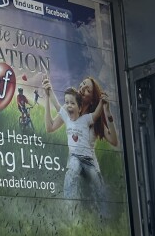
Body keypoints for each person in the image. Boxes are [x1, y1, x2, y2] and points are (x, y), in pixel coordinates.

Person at [42, 78, 109, 212]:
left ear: (80, 107)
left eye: (72, 103)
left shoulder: (85, 119)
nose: (69, 106)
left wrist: (102, 102)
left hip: (88, 160)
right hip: (75, 157)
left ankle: (105, 211)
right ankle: (70, 208)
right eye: (67, 103)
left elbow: (96, 114)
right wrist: (49, 91)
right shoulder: (67, 117)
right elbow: (56, 103)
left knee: (97, 181)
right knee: (71, 174)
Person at [77, 76, 119, 148]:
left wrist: (107, 111)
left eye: (88, 90)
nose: (83, 88)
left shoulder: (95, 121)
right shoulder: (70, 108)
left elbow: (114, 141)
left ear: (92, 101)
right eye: (83, 83)